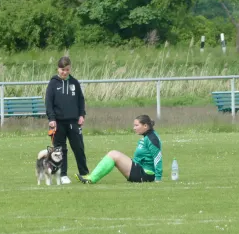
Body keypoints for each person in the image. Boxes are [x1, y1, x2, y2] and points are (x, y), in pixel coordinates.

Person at [75, 115, 162, 184]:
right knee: (113, 154)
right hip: (139, 169)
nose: (134, 128)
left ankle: (91, 178)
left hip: (146, 174)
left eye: (136, 125)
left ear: (145, 126)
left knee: (113, 154)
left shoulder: (152, 138)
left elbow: (157, 157)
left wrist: (158, 178)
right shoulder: (147, 136)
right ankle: (91, 176)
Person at [45, 56, 89, 185]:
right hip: (58, 122)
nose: (64, 72)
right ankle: (62, 174)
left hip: (73, 122)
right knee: (59, 149)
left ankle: (84, 173)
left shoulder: (74, 83)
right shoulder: (53, 83)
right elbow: (48, 102)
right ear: (58, 69)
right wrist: (51, 118)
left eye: (67, 69)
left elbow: (81, 100)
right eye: (62, 69)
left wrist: (82, 115)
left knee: (79, 147)